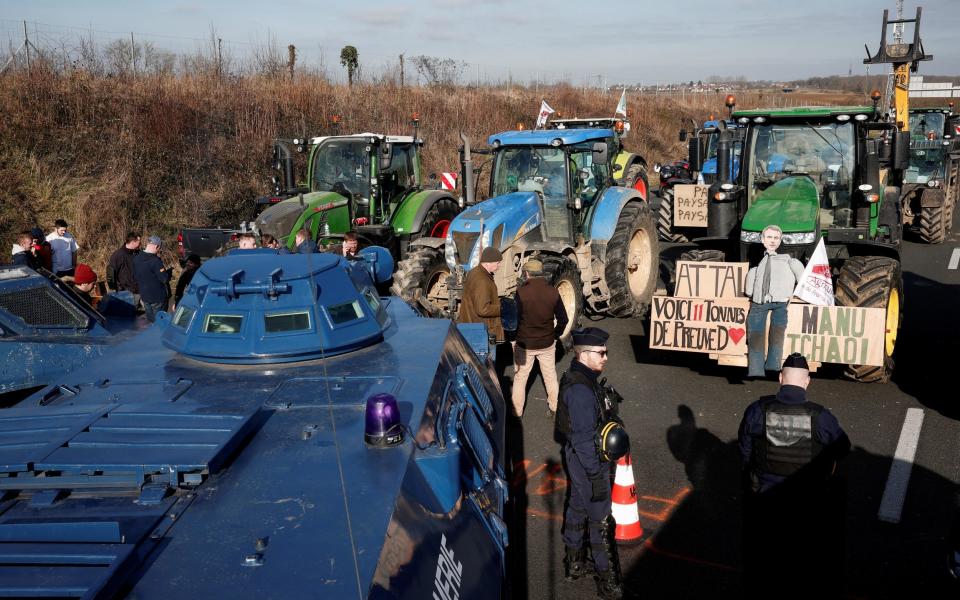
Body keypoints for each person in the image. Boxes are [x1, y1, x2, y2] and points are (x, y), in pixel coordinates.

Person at [738, 352, 850, 597]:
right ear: (807, 381)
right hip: (808, 501)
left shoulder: (757, 410)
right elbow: (843, 448)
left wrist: (751, 475)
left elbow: (745, 450)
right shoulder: (821, 417)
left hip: (764, 499)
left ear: (780, 378)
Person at [556, 327, 622, 600]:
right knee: (601, 521)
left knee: (577, 508)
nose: (606, 357)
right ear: (583, 354)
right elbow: (584, 440)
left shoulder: (581, 378)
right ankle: (608, 581)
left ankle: (573, 563)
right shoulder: (581, 391)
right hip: (589, 461)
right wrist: (596, 474)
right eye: (601, 353)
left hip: (578, 458)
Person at [744, 225, 804, 377]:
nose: (772, 241)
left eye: (776, 238)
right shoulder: (758, 266)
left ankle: (773, 367)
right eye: (769, 237)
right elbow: (748, 291)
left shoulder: (789, 261)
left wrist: (794, 294)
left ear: (780, 241)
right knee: (755, 335)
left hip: (780, 302)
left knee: (777, 334)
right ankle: (756, 370)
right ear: (762, 239)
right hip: (759, 303)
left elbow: (802, 279)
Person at [512, 258, 567, 417]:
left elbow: (514, 320)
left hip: (524, 344)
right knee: (550, 376)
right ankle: (555, 407)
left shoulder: (521, 293)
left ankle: (517, 412)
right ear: (541, 273)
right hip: (547, 343)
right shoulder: (553, 292)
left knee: (520, 378)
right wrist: (555, 334)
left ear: (527, 274)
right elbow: (564, 319)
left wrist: (513, 338)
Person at [458, 246, 503, 344]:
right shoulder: (482, 281)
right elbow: (483, 309)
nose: (499, 265)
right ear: (488, 263)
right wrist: (502, 309)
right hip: (481, 330)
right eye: (498, 263)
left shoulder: (474, 272)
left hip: (471, 325)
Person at [134, 235, 171, 322]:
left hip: (145, 296)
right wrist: (168, 273)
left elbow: (135, 276)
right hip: (158, 298)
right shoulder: (156, 261)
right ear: (156, 246)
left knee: (151, 323)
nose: (159, 250)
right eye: (159, 248)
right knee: (160, 323)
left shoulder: (136, 258)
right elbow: (164, 279)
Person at [106, 232, 141, 306]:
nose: (140, 244)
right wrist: (114, 289)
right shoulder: (118, 255)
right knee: (129, 313)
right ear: (132, 242)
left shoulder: (138, 253)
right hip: (126, 292)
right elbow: (110, 273)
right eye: (139, 242)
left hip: (139, 289)